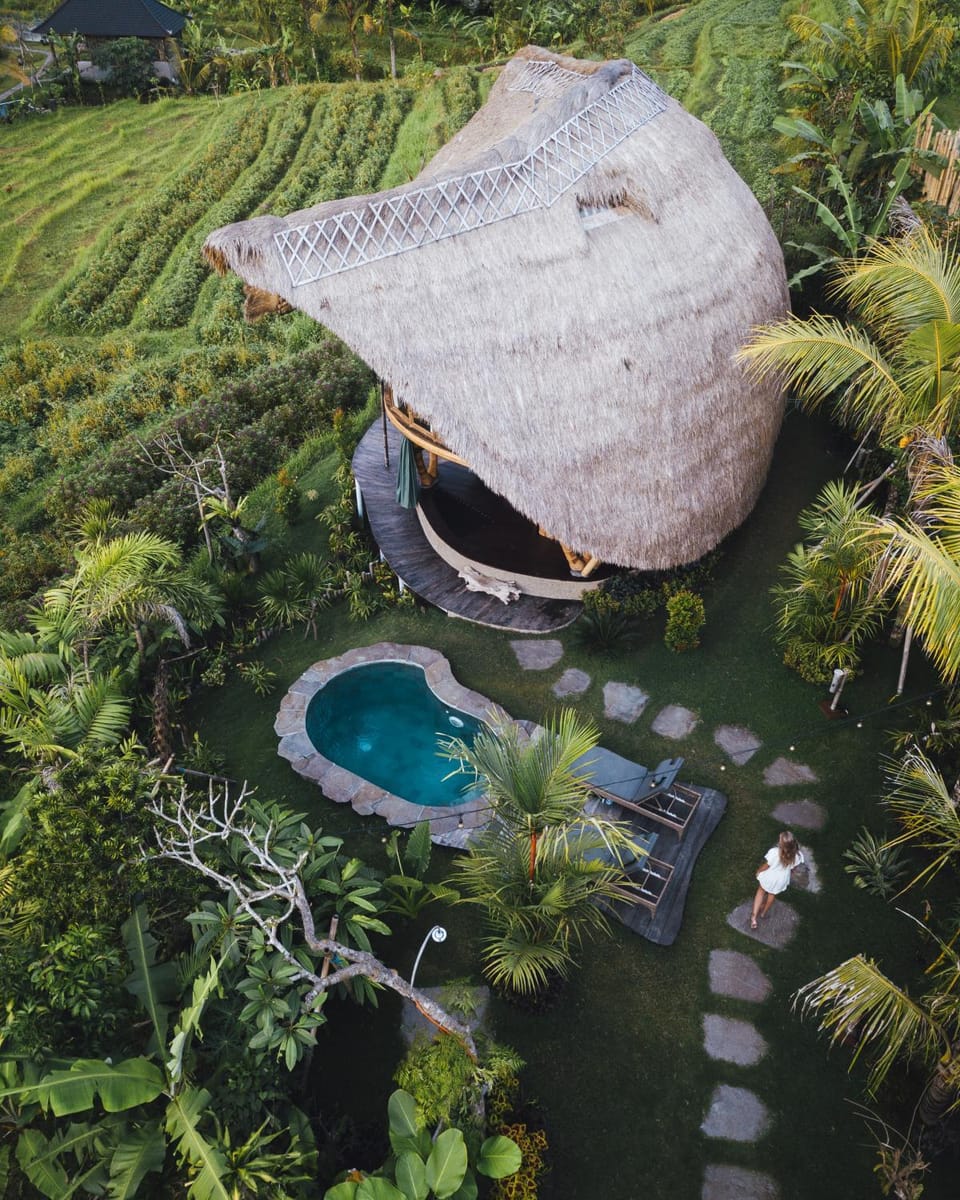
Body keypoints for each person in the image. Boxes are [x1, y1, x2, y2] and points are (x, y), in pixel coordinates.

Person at [751, 830, 804, 929]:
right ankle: (763, 913)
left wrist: (758, 871)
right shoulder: (797, 856)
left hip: (769, 877)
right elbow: (793, 867)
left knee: (761, 891)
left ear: (782, 844)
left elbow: (766, 866)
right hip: (781, 879)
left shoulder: (774, 852)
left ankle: (754, 918)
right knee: (772, 894)